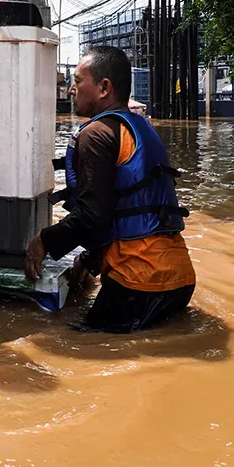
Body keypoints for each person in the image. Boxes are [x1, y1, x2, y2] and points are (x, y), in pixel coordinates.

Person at [25, 46, 196, 333]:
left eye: (77, 82)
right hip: (179, 278)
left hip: (137, 283)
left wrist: (43, 241)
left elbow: (94, 215)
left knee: (73, 345)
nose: (70, 90)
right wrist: (88, 260)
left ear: (104, 88)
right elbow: (127, 209)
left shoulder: (96, 133)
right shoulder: (141, 127)